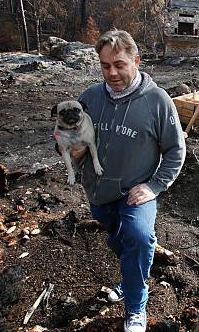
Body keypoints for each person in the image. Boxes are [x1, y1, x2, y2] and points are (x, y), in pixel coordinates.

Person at [67, 29, 186, 332]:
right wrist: (73, 149)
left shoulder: (158, 101)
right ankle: (131, 275)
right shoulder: (90, 98)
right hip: (98, 192)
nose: (112, 73)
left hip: (136, 192)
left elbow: (175, 149)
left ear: (136, 60)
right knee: (120, 241)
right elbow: (68, 140)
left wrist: (154, 186)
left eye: (119, 64)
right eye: (105, 66)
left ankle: (136, 308)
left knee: (139, 237)